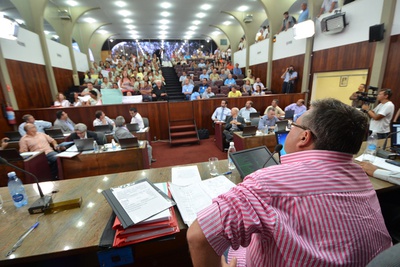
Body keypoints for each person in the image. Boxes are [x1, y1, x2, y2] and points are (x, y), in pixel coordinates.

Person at [187, 98, 391, 267]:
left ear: (304, 136)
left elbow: (199, 236)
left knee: (223, 247)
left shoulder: (266, 183)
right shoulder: (361, 174)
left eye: (293, 125)